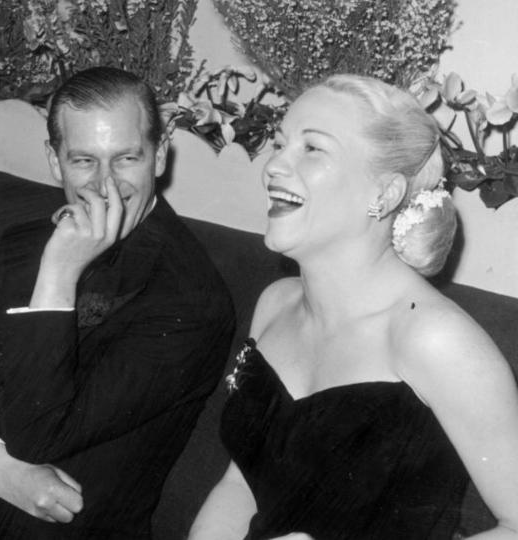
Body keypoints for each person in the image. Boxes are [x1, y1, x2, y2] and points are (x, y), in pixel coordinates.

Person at [0, 66, 236, 539]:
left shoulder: (189, 298)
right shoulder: (26, 242)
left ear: (159, 157)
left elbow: (39, 433)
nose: (106, 184)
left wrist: (57, 275)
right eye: (83, 161)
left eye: (127, 159)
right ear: (54, 162)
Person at [189, 75, 518, 540]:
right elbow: (239, 483)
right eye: (280, 144)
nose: (274, 166)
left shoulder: (436, 339)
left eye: (312, 148)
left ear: (383, 195)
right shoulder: (275, 304)